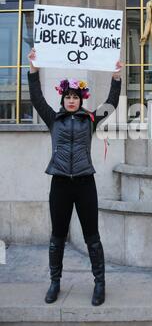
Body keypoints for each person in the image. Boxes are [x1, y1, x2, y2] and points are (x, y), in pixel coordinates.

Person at [27, 48, 123, 306]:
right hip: (59, 183)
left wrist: (116, 78)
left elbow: (111, 104)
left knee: (92, 235)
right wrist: (34, 70)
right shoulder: (53, 119)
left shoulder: (89, 119)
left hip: (84, 184)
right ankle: (55, 282)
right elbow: (36, 98)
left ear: (81, 100)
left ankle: (99, 283)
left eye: (75, 97)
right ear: (63, 99)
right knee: (57, 236)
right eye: (68, 96)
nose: (71, 100)